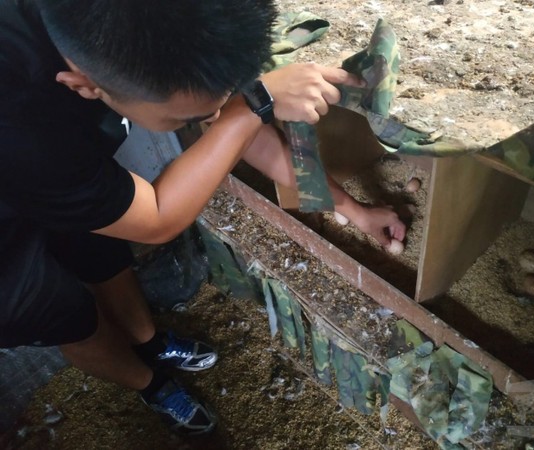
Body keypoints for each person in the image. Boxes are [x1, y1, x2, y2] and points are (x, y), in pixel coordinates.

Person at [0, 0, 406, 436]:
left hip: (57, 171)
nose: (211, 119)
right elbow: (156, 218)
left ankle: (150, 341)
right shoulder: (25, 129)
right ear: (83, 84)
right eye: (189, 120)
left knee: (97, 246)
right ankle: (152, 384)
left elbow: (236, 125)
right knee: (70, 319)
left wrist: (354, 211)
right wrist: (254, 105)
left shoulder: (144, 40)